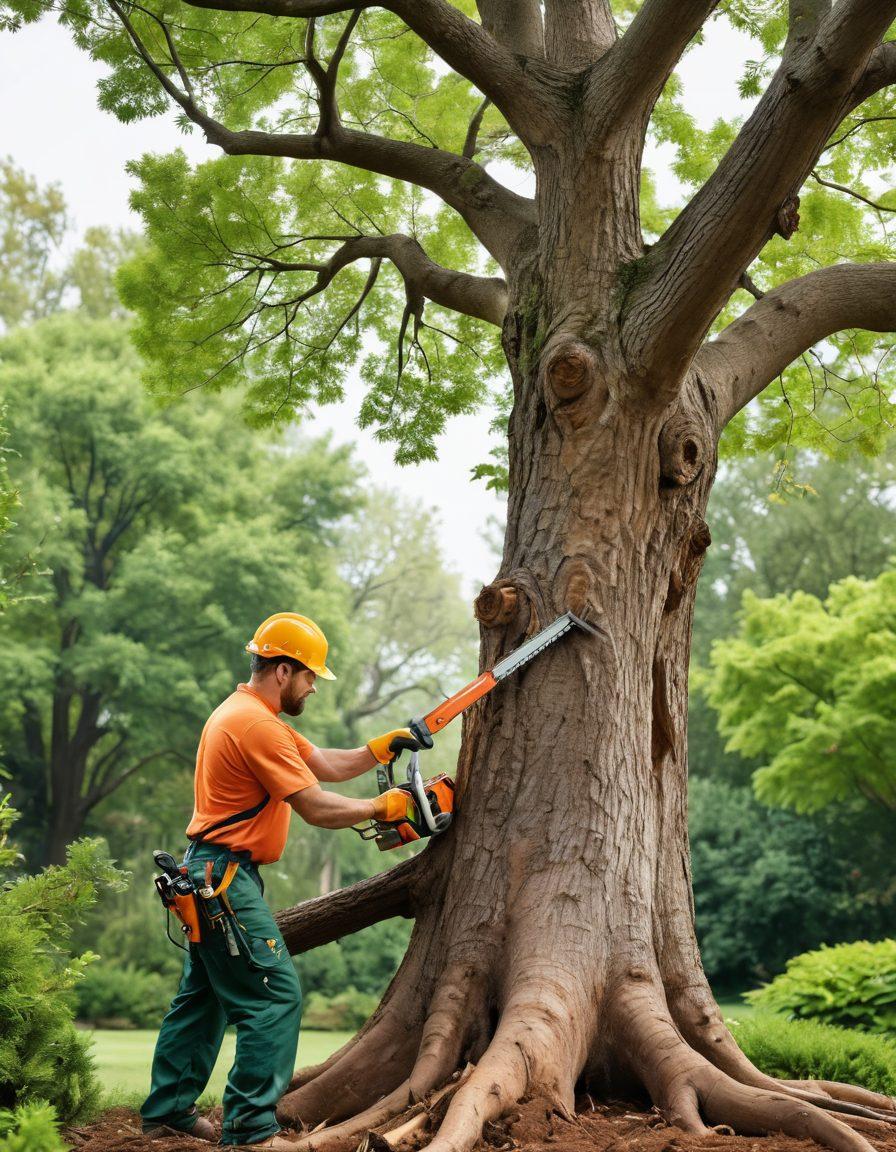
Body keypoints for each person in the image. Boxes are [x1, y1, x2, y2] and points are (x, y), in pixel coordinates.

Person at [140, 612, 417, 1149]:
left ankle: (169, 1111)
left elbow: (323, 765)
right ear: (284, 670)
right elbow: (313, 804)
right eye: (312, 675)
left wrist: (379, 750)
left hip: (211, 871)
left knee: (204, 997)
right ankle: (249, 1129)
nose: (314, 685)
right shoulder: (255, 724)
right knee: (273, 995)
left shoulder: (254, 716)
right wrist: (381, 807)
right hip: (223, 878)